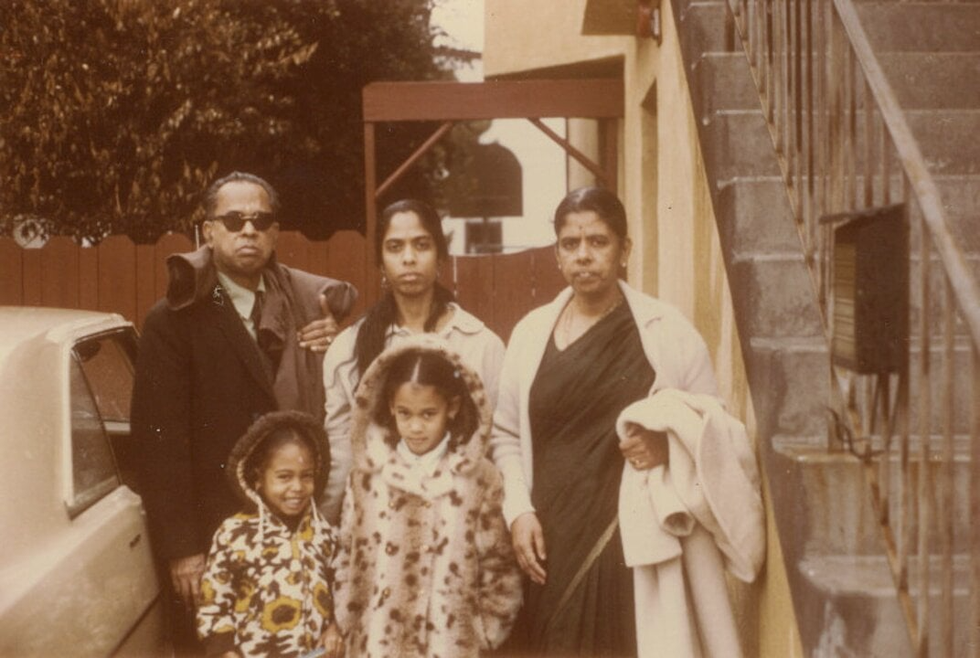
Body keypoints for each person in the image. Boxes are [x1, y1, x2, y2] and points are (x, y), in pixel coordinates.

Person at [490, 187, 764, 657]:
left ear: (624, 250)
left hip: (631, 540)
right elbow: (506, 434)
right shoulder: (530, 332)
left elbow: (714, 427)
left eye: (598, 242)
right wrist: (518, 511)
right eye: (570, 244)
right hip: (549, 538)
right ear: (556, 252)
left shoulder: (667, 331)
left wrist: (668, 445)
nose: (584, 256)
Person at [130, 171, 357, 653]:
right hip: (214, 541)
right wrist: (184, 550)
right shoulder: (176, 318)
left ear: (275, 233)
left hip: (295, 535)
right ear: (207, 232)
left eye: (261, 220)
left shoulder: (303, 308)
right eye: (233, 220)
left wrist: (334, 348)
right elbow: (159, 445)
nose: (248, 230)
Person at [332, 336, 522, 657]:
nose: (415, 427)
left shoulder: (479, 478)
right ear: (390, 406)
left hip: (448, 646)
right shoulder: (367, 476)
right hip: (375, 645)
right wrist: (348, 618)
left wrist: (484, 632)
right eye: (405, 414)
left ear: (452, 407)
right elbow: (347, 554)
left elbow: (499, 565)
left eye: (427, 414)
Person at [319, 199, 504, 524]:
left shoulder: (479, 344)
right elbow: (342, 452)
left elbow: (495, 445)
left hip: (459, 528)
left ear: (440, 256)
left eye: (422, 245)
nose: (409, 258)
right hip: (380, 531)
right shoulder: (348, 349)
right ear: (380, 261)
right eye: (394, 247)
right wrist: (323, 528)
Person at [197, 411, 343, 658]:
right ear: (257, 478)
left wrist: (334, 627)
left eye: (306, 476)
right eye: (284, 477)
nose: (297, 487)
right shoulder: (234, 534)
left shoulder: (323, 533)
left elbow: (339, 592)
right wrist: (224, 651)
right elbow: (213, 605)